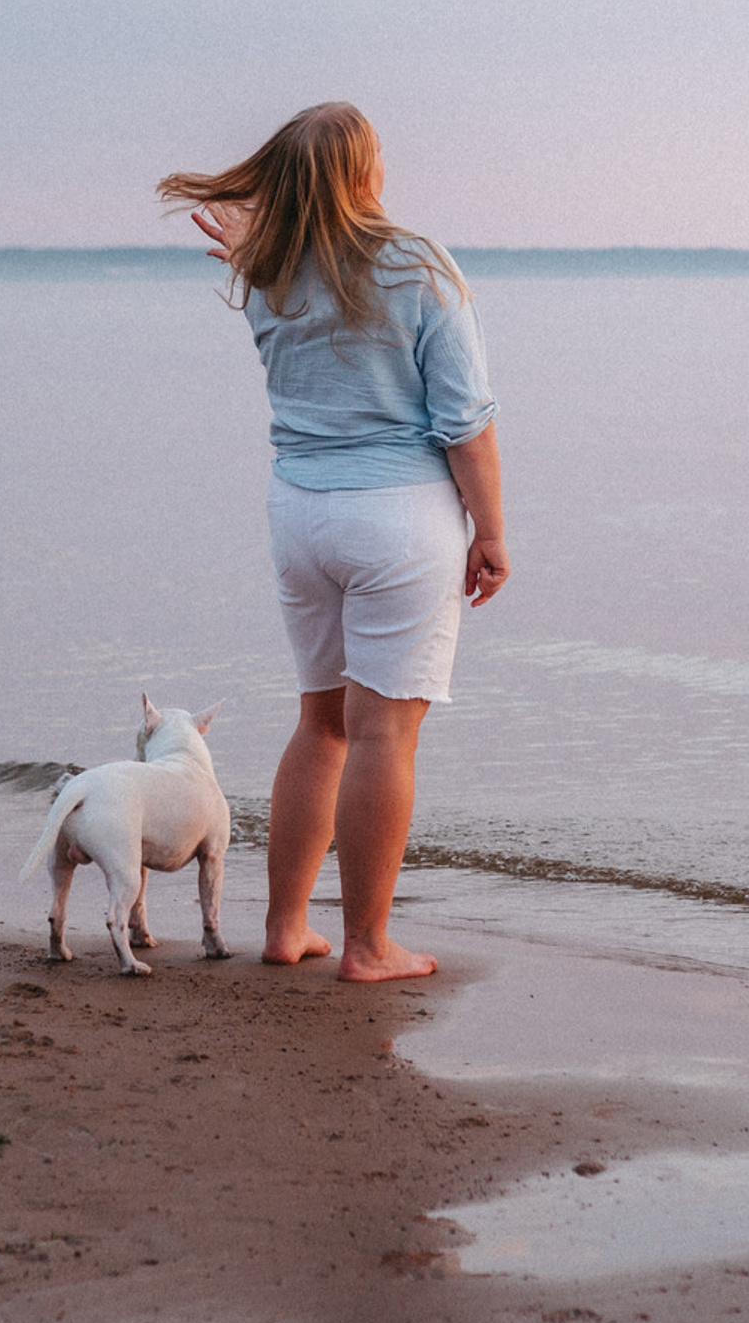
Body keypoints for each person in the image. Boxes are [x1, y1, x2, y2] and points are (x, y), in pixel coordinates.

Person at [158, 104, 507, 983]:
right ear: (362, 173)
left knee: (321, 723)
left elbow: (300, 292)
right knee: (384, 733)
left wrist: (251, 252)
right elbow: (464, 422)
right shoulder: (418, 266)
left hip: (301, 514)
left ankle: (284, 927)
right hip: (398, 516)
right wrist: (493, 532)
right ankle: (366, 946)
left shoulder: (269, 277)